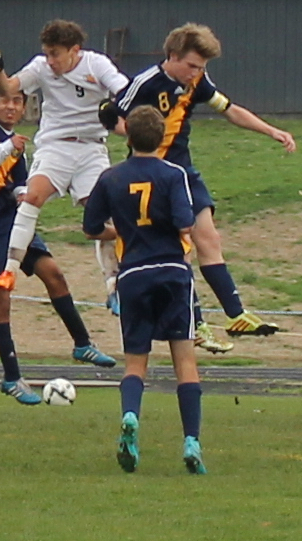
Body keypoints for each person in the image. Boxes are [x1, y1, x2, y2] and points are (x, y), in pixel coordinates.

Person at [104, 22, 296, 340]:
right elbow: (111, 115)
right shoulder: (146, 83)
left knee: (209, 238)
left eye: (202, 67)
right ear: (172, 56)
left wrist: (271, 130)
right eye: (192, 66)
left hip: (184, 172)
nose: (196, 73)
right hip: (153, 176)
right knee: (180, 248)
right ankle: (195, 323)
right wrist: (138, 135)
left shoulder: (197, 82)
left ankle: (236, 315)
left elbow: (229, 109)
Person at [0, 86, 118, 405]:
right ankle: (12, 378)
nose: (11, 107)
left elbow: (17, 186)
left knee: (53, 273)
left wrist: (29, 195)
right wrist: (6, 149)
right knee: (2, 298)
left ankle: (82, 344)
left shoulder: (19, 146)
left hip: (13, 221)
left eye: (17, 102)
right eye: (5, 100)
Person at [83, 105, 207, 474]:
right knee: (185, 359)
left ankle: (131, 416)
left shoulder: (110, 177)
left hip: (134, 274)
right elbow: (185, 224)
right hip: (172, 271)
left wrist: (122, 229)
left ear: (129, 138)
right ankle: (191, 441)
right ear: (162, 137)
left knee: (136, 361)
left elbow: (91, 227)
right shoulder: (174, 173)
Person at [0, 20, 127, 313]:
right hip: (55, 146)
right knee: (32, 197)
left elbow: (125, 92)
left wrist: (120, 116)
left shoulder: (97, 64)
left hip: (91, 149)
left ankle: (113, 286)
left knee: (104, 217)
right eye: (47, 53)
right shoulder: (41, 67)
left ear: (75, 50)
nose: (50, 61)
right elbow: (9, 87)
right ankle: (9, 271)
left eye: (56, 54)